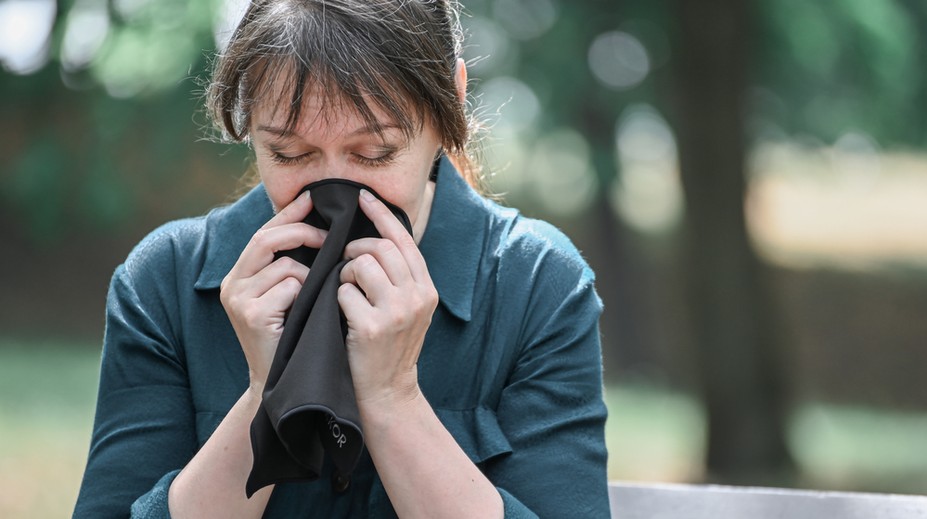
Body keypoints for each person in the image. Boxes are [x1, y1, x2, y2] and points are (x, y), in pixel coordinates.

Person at [73, 0, 609, 517]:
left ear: (451, 105)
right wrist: (267, 391)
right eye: (290, 153)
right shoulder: (166, 281)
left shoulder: (537, 283)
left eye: (374, 153)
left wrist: (393, 396)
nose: (337, 188)